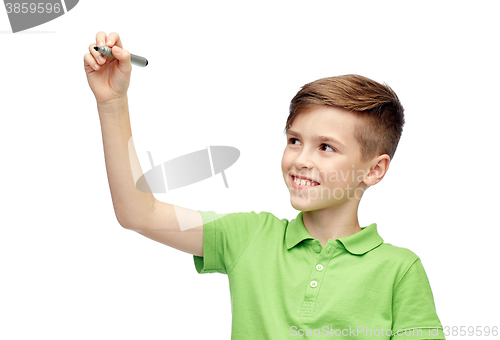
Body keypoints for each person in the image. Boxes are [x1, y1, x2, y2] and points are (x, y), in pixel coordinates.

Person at [84, 31, 445, 339]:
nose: (301, 159)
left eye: (326, 147)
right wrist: (113, 102)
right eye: (294, 140)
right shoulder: (250, 237)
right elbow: (138, 213)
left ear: (375, 170)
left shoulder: (400, 270)